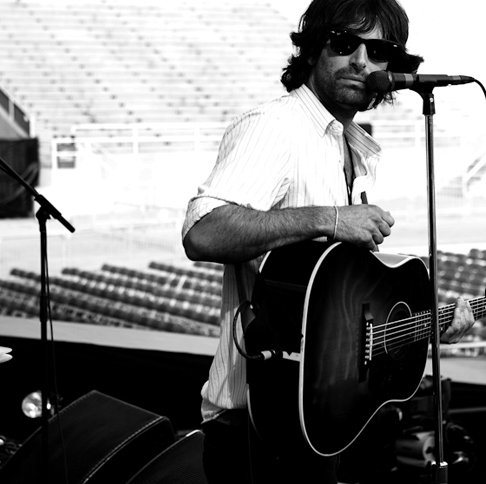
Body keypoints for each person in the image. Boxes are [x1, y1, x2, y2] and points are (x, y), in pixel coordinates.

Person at [181, 1, 476, 482]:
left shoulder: (352, 146)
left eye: (378, 51)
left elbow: (337, 307)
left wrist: (428, 327)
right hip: (258, 431)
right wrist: (330, 218)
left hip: (321, 425)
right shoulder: (275, 128)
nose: (361, 61)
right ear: (314, 48)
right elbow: (204, 232)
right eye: (344, 43)